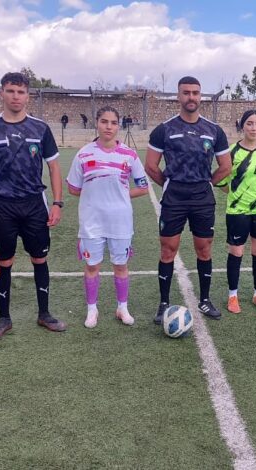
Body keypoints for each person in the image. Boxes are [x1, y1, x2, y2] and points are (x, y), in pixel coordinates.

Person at [0, 72, 66, 340]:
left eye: (21, 92)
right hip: (3, 206)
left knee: (40, 258)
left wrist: (57, 203)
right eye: (11, 91)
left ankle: (44, 314)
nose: (16, 96)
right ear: (1, 93)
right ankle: (4, 318)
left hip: (35, 204)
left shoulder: (40, 128)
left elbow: (54, 167)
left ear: (28, 96)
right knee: (4, 261)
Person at [145, 76, 232, 323]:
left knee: (204, 249)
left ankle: (204, 300)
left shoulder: (214, 130)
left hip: (202, 197)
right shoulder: (164, 129)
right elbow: (151, 166)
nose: (191, 97)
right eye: (186, 92)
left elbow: (226, 166)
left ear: (200, 96)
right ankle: (163, 303)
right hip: (174, 197)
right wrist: (170, 184)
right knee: (168, 249)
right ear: (178, 96)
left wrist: (207, 184)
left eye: (195, 93)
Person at [66, 106, 149, 328]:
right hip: (91, 222)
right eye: (104, 121)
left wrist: (120, 194)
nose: (108, 127)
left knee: (120, 265)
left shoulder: (129, 155)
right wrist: (96, 195)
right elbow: (73, 188)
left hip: (120, 221)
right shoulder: (83, 154)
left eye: (113, 122)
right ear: (97, 123)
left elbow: (143, 187)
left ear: (118, 126)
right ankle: (92, 310)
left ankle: (122, 308)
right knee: (92, 266)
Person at [215, 110, 256, 313]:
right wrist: (238, 194)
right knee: (236, 252)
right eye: (249, 123)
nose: (253, 128)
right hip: (237, 211)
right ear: (242, 126)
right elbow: (221, 182)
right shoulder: (232, 152)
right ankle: (233, 296)